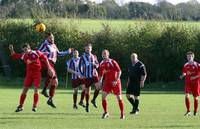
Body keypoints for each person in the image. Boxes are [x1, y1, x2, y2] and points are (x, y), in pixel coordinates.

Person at [9, 44, 53, 112]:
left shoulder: (36, 52)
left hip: (37, 73)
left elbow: (44, 58)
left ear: (29, 48)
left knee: (36, 89)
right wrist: (11, 49)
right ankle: (21, 106)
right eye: (24, 50)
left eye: (26, 49)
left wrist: (49, 68)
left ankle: (34, 106)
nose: (25, 51)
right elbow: (14, 56)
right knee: (24, 90)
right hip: (29, 74)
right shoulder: (24, 55)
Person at [38, 32, 72, 108]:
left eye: (53, 37)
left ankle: (50, 99)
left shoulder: (53, 45)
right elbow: (38, 52)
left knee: (55, 83)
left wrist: (67, 52)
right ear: (47, 38)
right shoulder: (45, 44)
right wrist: (42, 56)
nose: (52, 39)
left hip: (52, 63)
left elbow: (59, 53)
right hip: (46, 62)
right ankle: (44, 90)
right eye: (50, 38)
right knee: (52, 74)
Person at [97, 49, 125, 119]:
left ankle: (122, 114)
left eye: (105, 53)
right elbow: (101, 74)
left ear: (108, 54)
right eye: (103, 53)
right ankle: (106, 112)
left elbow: (119, 71)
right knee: (103, 97)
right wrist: (99, 82)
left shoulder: (112, 62)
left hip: (115, 82)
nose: (104, 55)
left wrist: (116, 80)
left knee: (119, 98)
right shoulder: (101, 63)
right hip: (107, 82)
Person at [79, 43, 100, 112]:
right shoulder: (82, 57)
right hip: (87, 76)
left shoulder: (94, 56)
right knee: (87, 91)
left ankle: (93, 100)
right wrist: (81, 74)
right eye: (87, 48)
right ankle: (87, 105)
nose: (88, 49)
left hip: (94, 75)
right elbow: (79, 66)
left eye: (89, 48)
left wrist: (96, 65)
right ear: (84, 49)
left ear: (91, 49)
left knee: (98, 87)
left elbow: (98, 64)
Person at [180, 51, 200, 116]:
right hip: (188, 83)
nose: (189, 57)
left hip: (196, 83)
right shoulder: (185, 65)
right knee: (186, 95)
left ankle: (195, 111)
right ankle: (188, 111)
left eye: (190, 56)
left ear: (193, 57)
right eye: (188, 56)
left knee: (196, 98)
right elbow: (184, 72)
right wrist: (182, 75)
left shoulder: (197, 64)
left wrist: (195, 77)